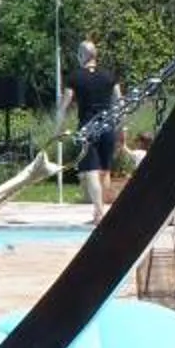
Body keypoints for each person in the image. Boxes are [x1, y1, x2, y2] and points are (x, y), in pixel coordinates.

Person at [62, 38, 123, 221]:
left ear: (82, 56)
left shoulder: (75, 77)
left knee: (91, 171)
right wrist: (120, 127)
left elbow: (65, 103)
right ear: (95, 55)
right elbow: (120, 102)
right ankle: (100, 211)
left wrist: (59, 125)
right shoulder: (109, 76)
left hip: (87, 128)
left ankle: (98, 212)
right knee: (104, 170)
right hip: (107, 126)